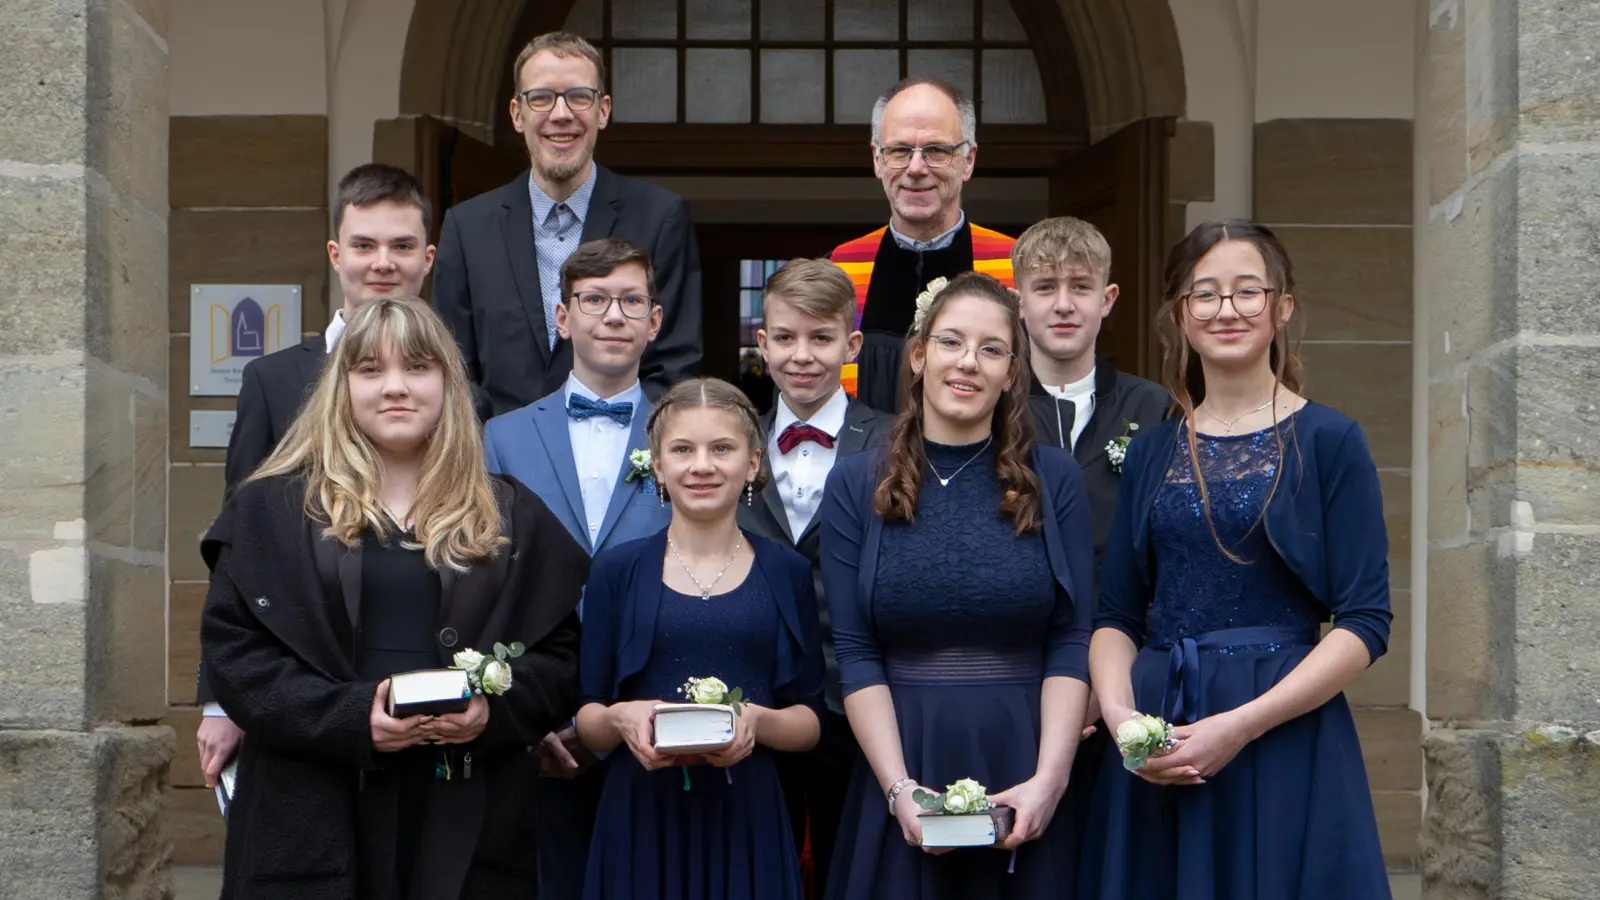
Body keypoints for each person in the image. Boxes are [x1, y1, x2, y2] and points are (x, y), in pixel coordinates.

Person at [199, 296, 587, 900]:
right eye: (370, 370)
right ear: (340, 387)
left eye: (417, 367)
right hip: (313, 811)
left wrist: (494, 714)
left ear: (447, 382)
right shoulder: (270, 511)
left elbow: (561, 661)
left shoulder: (511, 513)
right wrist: (354, 720)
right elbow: (236, 661)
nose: (395, 388)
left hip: (467, 813)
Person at [1080, 221, 1393, 899]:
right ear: (1179, 316)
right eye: (1206, 295)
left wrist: (1243, 724)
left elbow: (1365, 622)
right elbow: (1115, 616)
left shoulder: (1331, 440)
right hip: (1161, 734)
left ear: (1281, 308)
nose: (1228, 310)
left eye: (1247, 292)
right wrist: (1123, 721)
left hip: (1282, 733)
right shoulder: (1151, 452)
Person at [820, 272, 1096, 899]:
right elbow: (856, 653)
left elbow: (1071, 636)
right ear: (919, 357)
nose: (968, 363)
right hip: (903, 753)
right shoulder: (856, 483)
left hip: (1025, 753)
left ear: (1010, 372)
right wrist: (900, 791)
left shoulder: (1053, 479)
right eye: (950, 342)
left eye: (991, 349)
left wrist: (1049, 780)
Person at [198, 162, 436, 791]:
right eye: (364, 245)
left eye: (402, 246)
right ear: (336, 253)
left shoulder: (457, 386)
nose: (383, 262)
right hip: (297, 663)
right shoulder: (274, 381)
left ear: (428, 258)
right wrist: (220, 700)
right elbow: (236, 547)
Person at [575, 378, 825, 900]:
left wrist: (758, 722)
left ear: (753, 463)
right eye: (683, 450)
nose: (702, 465)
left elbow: (809, 722)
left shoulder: (789, 571)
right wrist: (621, 719)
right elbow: (589, 721)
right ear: (658, 466)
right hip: (641, 816)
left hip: (748, 816)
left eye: (722, 449)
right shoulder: (616, 571)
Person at [481, 236, 672, 899]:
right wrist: (526, 717)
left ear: (655, 320)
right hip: (534, 714)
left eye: (630, 300)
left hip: (655, 710)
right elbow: (484, 583)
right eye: (593, 300)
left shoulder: (690, 436)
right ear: (563, 319)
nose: (612, 316)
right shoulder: (501, 438)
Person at [1012, 216, 1171, 879]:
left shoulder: (1155, 406)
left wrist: (1108, 686)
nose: (1063, 303)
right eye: (1045, 286)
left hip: (1124, 675)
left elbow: (1165, 549)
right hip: (1016, 672)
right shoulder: (991, 406)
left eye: (1081, 286)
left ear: (1107, 300)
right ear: (1018, 301)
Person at [433, 31, 702, 417]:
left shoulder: (660, 217)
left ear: (603, 110)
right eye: (541, 98)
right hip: (496, 465)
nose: (561, 114)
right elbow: (452, 367)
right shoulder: (468, 227)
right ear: (516, 113)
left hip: (624, 462)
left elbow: (674, 364)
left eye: (579, 96)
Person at [735, 259, 890, 897]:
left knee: (847, 870)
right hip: (750, 699)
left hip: (856, 697)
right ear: (762, 342)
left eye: (821, 338)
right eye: (787, 338)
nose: (803, 356)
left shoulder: (894, 441)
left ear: (850, 345)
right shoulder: (726, 440)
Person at [829, 77, 1016, 414]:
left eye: (936, 151)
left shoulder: (1014, 265)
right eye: (899, 150)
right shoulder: (841, 268)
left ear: (968, 160)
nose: (916, 168)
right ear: (877, 159)